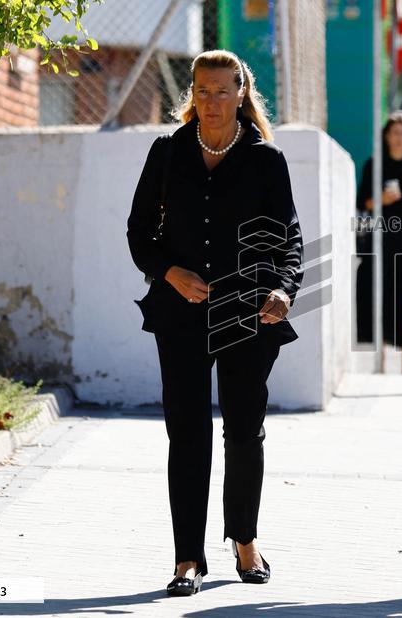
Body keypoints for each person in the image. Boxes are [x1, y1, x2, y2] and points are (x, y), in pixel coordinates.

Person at [127, 50, 303, 596]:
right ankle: (187, 558)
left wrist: (284, 288)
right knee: (187, 432)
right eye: (202, 90)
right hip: (179, 313)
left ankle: (244, 543)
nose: (211, 100)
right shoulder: (167, 152)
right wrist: (168, 272)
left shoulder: (265, 160)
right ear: (192, 94)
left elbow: (290, 240)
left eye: (223, 90)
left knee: (244, 431)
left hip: (248, 314)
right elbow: (138, 234)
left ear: (241, 94)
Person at [356, 111, 402, 373]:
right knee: (378, 299)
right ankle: (380, 365)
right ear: (386, 136)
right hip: (380, 242)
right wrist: (381, 200)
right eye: (394, 132)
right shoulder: (375, 165)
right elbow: (363, 203)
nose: (398, 138)